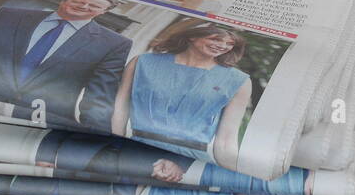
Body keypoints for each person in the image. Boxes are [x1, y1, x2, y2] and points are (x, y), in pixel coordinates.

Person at [0, 0, 133, 130]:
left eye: (94, 6)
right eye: (80, 1)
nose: (84, 7)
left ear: (103, 12)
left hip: (39, 123)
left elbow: (99, 95)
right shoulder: (8, 15)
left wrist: (91, 135)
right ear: (64, 0)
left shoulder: (114, 43)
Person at [101, 22, 253, 170]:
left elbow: (227, 139)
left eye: (230, 43)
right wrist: (115, 146)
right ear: (192, 36)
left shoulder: (239, 81)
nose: (222, 46)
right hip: (136, 150)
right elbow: (119, 109)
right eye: (215, 39)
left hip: (191, 159)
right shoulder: (142, 62)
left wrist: (235, 172)